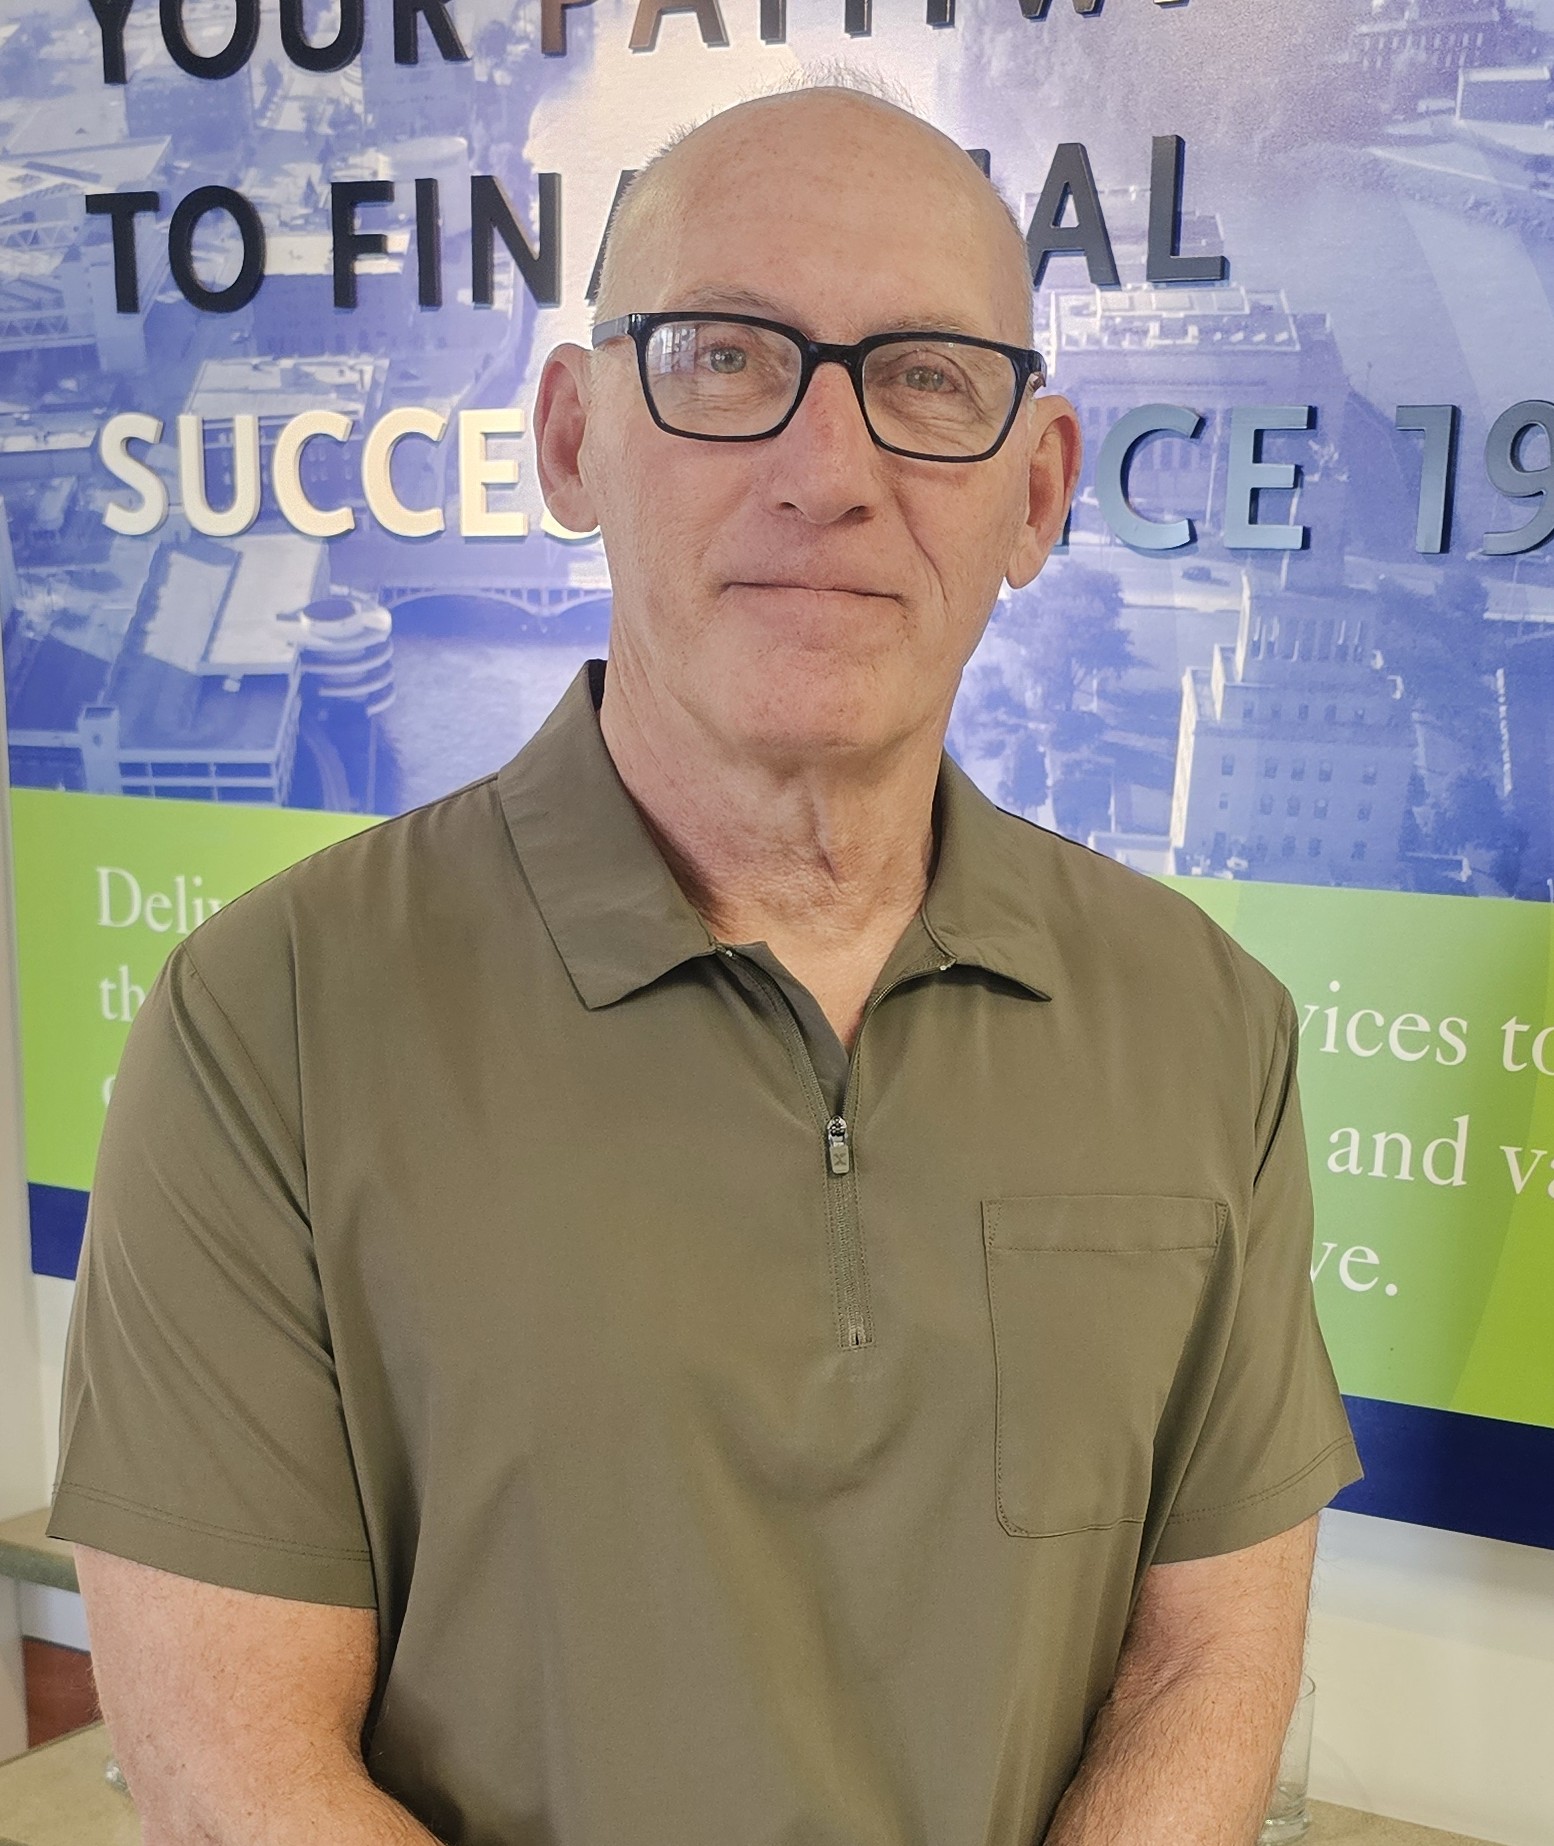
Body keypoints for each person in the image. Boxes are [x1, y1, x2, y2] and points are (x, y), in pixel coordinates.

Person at [50, 82, 1361, 1846]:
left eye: (925, 378)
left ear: (1036, 489)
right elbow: (240, 1776)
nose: (828, 473)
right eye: (726, 360)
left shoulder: (1203, 1026)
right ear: (573, 437)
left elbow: (1205, 1664)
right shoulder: (266, 1024)